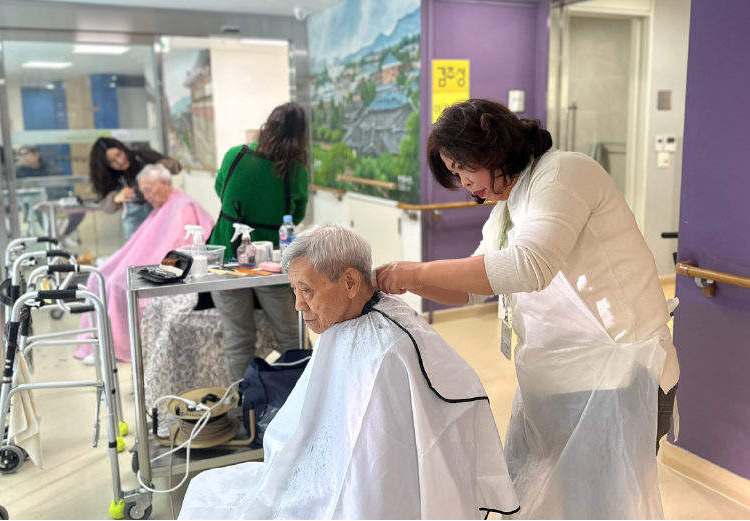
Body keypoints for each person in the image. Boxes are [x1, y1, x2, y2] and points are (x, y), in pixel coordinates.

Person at [375, 99, 679, 519]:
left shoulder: (565, 173)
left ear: (492, 147)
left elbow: (529, 266)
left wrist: (416, 271)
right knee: (555, 502)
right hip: (562, 378)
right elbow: (471, 289)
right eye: (455, 174)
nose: (464, 182)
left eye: (464, 168)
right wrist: (405, 282)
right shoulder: (506, 210)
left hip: (623, 372)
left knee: (603, 506)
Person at [178, 225, 519, 520]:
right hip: (321, 476)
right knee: (207, 490)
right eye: (294, 290)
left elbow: (373, 466)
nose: (298, 305)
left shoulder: (389, 350)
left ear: (351, 282)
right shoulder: (346, 321)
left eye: (307, 290)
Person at [209, 103, 310, 383]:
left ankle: (242, 402)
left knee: (238, 339)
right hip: (270, 263)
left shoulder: (236, 154)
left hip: (226, 257)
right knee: (291, 337)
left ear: (268, 126)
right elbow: (297, 214)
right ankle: (296, 398)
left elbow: (220, 190)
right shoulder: (296, 170)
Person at [75, 164, 213, 364]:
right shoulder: (164, 205)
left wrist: (149, 266)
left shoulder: (183, 208)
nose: (146, 197)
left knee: (116, 284)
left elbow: (176, 250)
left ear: (164, 183)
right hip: (146, 260)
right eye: (144, 192)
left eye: (148, 190)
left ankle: (115, 348)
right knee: (99, 276)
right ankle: (98, 342)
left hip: (165, 267)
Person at [88, 137, 182, 240]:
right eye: (112, 161)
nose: (120, 161)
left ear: (123, 149)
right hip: (136, 221)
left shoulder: (142, 156)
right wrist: (116, 198)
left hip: (163, 211)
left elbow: (176, 166)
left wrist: (161, 166)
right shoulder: (108, 177)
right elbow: (104, 206)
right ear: (106, 165)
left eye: (119, 154)